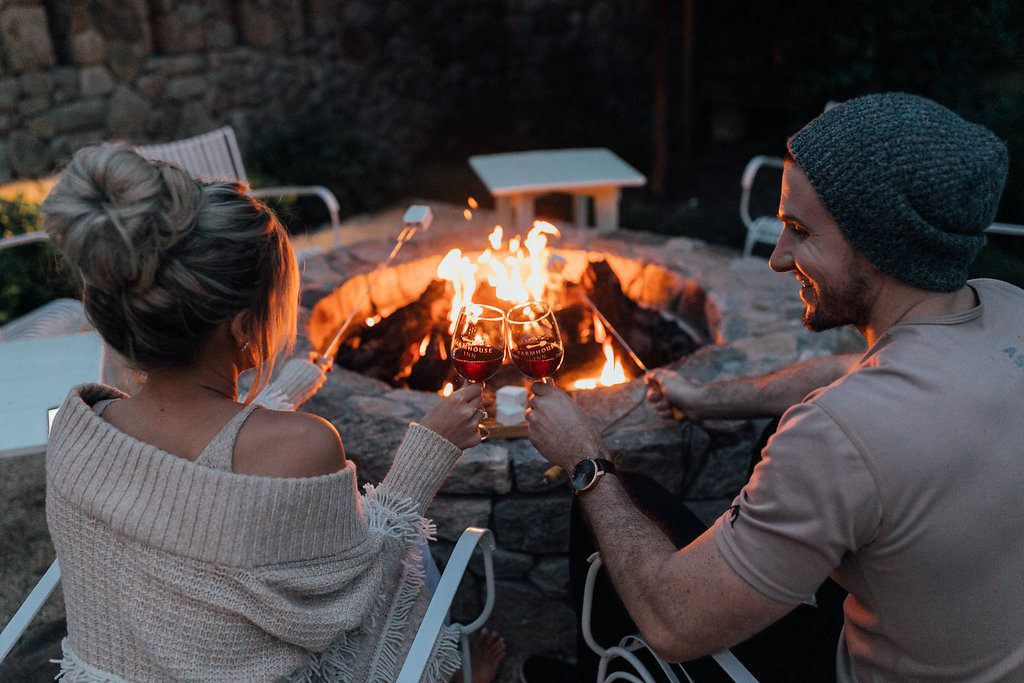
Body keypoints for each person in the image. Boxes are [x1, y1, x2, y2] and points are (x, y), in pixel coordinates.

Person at [524, 93, 1024, 681]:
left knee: (620, 498)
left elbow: (674, 622)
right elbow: (850, 374)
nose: (778, 259)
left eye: (798, 230)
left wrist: (586, 461)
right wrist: (707, 398)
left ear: (879, 245)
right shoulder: (1004, 307)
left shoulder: (837, 435)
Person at [41, 144, 505, 682]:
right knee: (417, 570)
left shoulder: (80, 431)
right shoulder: (301, 449)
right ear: (241, 327)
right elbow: (357, 598)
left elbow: (189, 480)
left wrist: (282, 392)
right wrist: (432, 444)